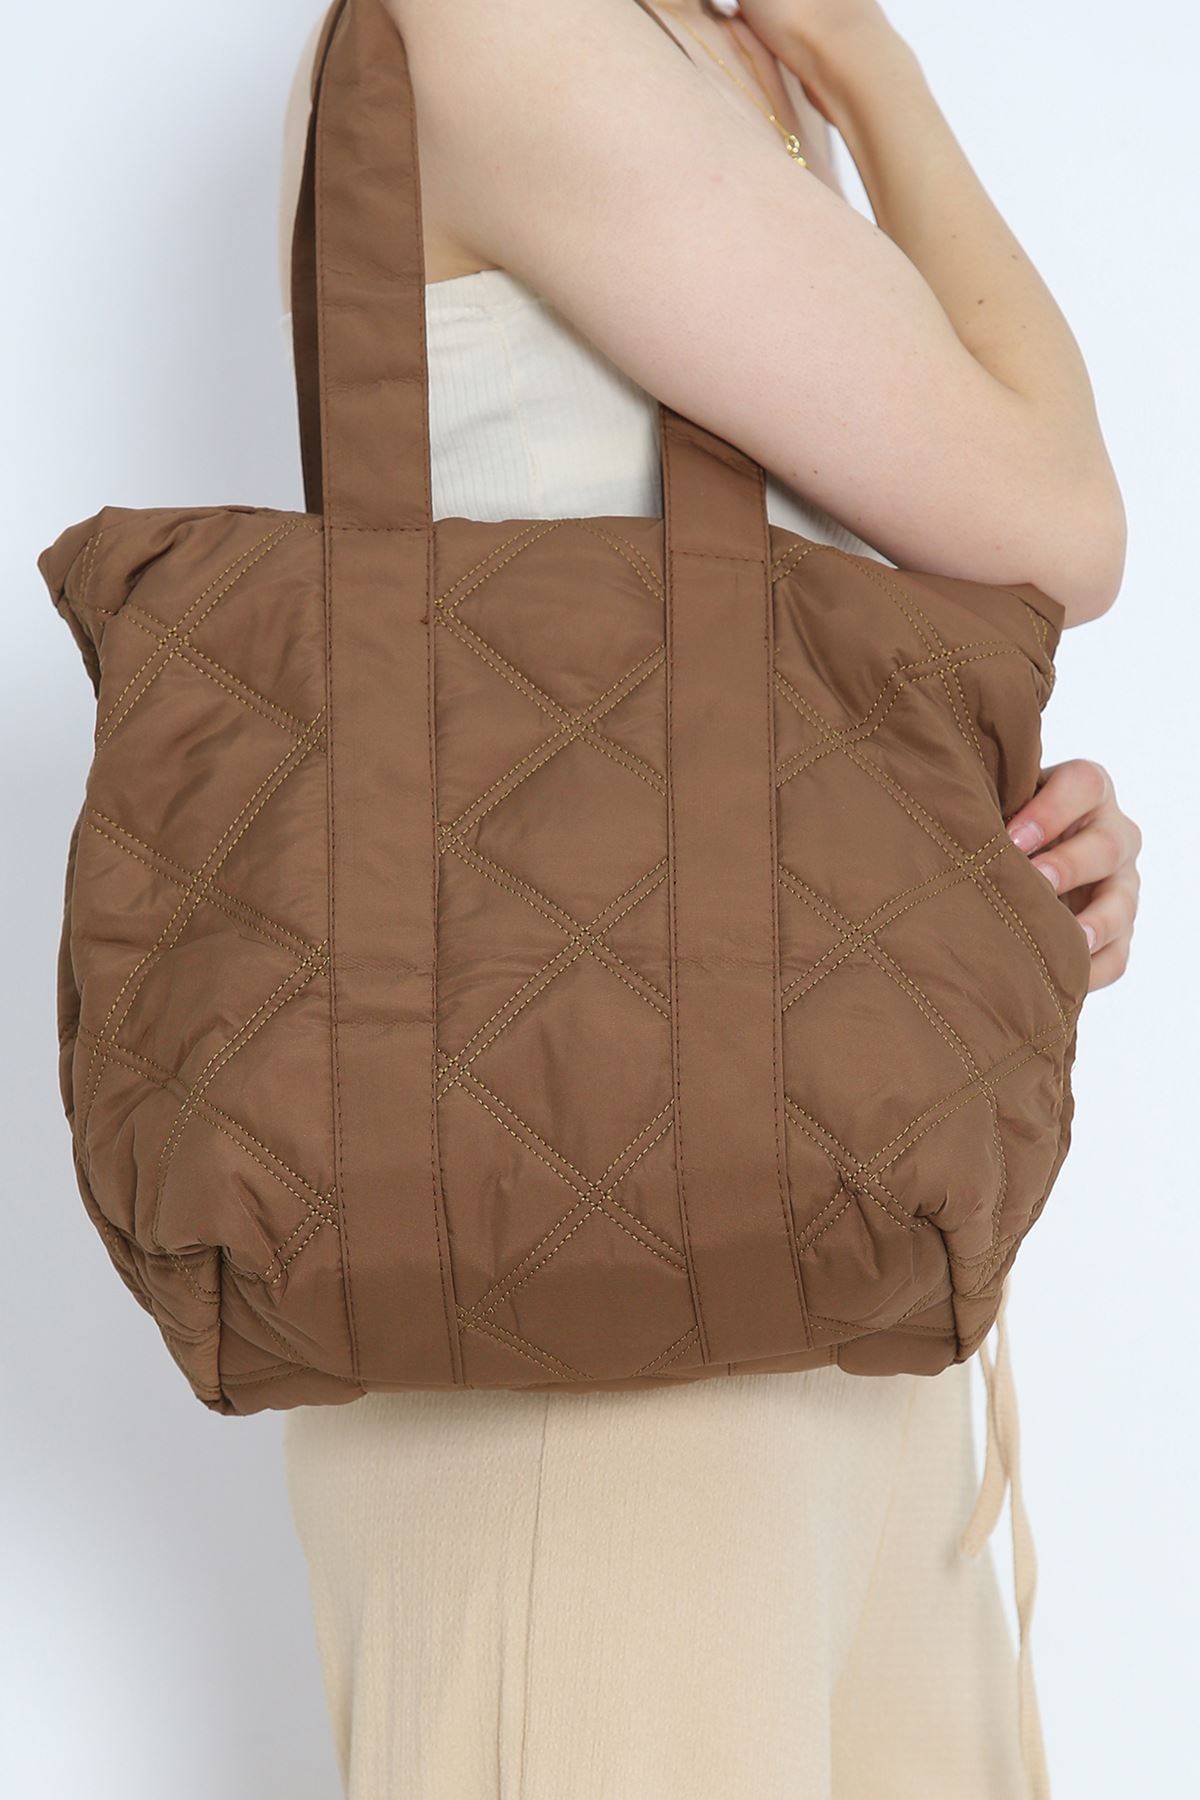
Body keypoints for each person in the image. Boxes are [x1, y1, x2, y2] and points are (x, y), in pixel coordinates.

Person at [281, 4, 1143, 1794]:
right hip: (578, 1361)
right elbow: (1060, 523)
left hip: (848, 1305)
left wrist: (989, 855)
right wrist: (878, 73)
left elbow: (805, 618)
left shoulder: (706, 55)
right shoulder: (508, 27)